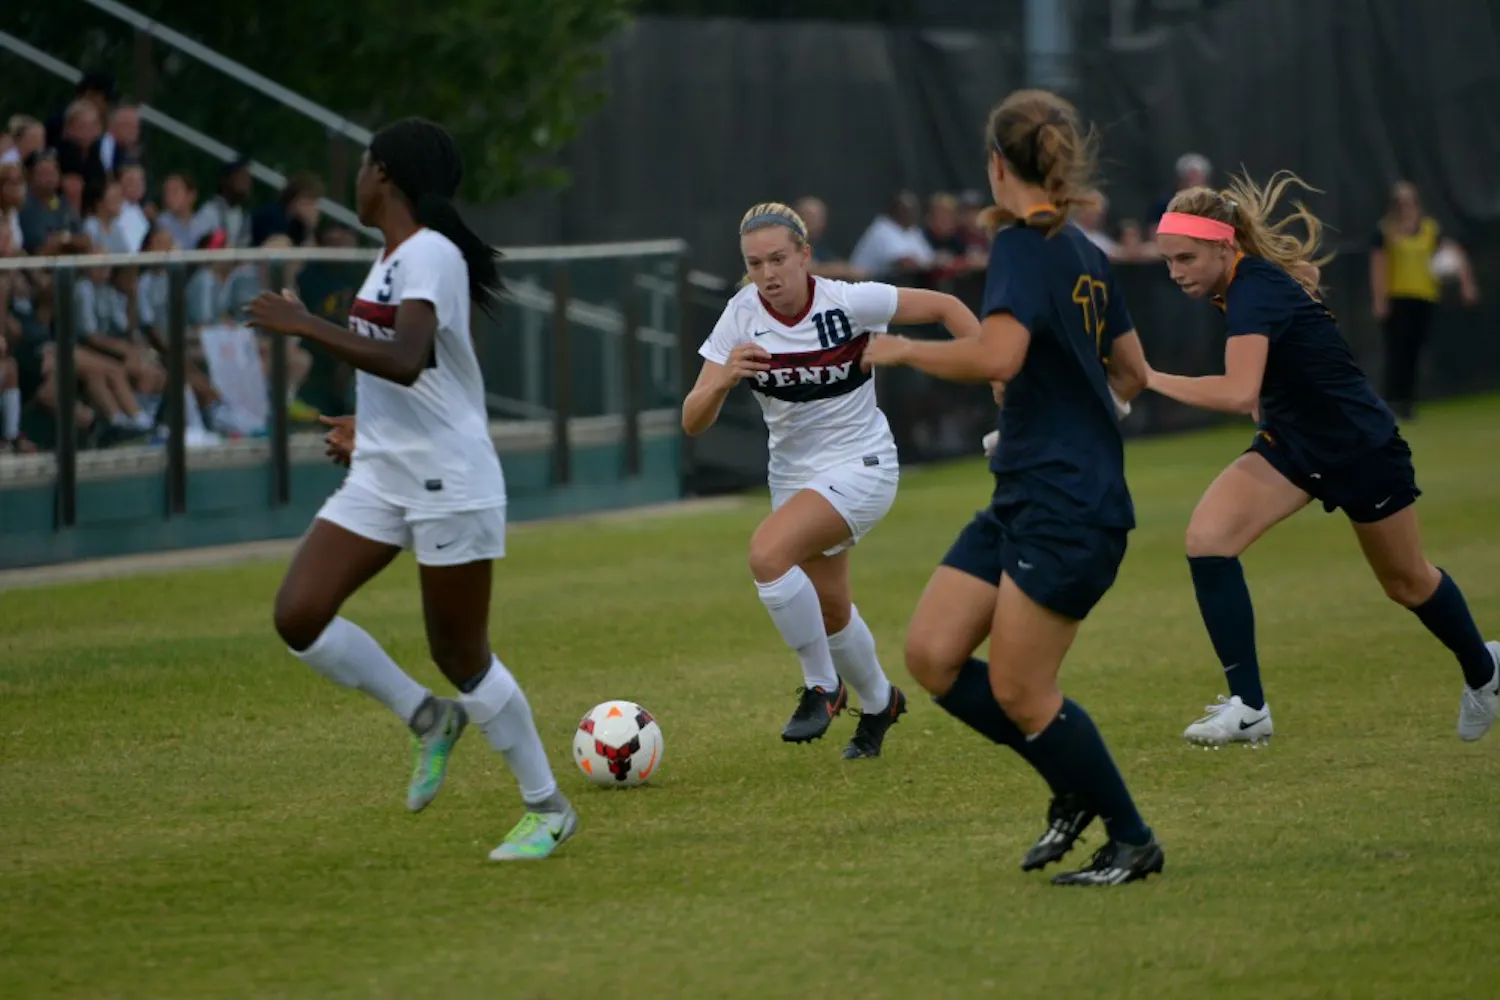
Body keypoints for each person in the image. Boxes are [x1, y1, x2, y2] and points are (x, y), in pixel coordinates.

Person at [246, 117, 578, 861]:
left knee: (461, 653)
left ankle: (548, 808)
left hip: (449, 478)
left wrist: (303, 324)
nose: (355, 178)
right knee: (300, 614)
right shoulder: (392, 257)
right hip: (384, 470)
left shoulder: (428, 252)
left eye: (364, 164)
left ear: (385, 175)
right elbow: (412, 379)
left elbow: (406, 356)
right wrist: (367, 429)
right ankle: (429, 718)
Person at [862, 89, 1162, 886]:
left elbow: (998, 356)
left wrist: (904, 351)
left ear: (998, 163)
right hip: (1027, 493)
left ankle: (1132, 837)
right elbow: (1131, 373)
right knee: (932, 655)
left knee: (1022, 689)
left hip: (1067, 505)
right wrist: (1056, 406)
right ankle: (1072, 785)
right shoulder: (1083, 249)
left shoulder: (1026, 246)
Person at [1145, 171, 1499, 746]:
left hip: (1360, 447)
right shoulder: (1239, 282)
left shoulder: (1253, 287)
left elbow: (1237, 391)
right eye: (1168, 261)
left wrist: (1149, 378)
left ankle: (1486, 673)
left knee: (1408, 583)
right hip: (1293, 445)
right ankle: (1249, 708)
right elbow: (1297, 296)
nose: (1175, 271)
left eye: (1185, 257)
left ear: (1224, 245)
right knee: (1208, 541)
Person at [682, 201, 981, 759]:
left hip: (863, 465)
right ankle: (880, 703)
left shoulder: (849, 301)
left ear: (805, 255)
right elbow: (692, 421)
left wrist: (994, 369)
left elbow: (947, 306)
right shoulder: (740, 316)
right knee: (831, 610)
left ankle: (823, 685)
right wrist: (721, 381)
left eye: (778, 259)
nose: (768, 274)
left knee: (767, 555)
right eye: (755, 264)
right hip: (793, 479)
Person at [1370, 181, 1480, 421]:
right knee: (1397, 350)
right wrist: (1379, 299)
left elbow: (1454, 252)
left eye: (1410, 201)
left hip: (1424, 296)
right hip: (1398, 297)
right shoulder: (1385, 231)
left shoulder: (1430, 228)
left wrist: (1467, 283)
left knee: (1414, 349)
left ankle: (1407, 402)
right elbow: (1379, 265)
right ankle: (1391, 401)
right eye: (1402, 202)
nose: (1406, 207)